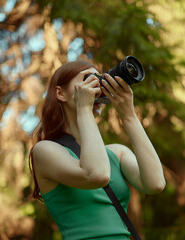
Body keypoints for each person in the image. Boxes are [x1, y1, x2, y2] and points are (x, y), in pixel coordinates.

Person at [29, 60, 166, 240]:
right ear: (61, 93)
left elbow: (155, 183)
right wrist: (83, 108)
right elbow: (97, 175)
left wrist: (129, 116)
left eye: (99, 80)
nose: (96, 87)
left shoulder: (116, 153)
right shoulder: (45, 151)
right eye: (88, 79)